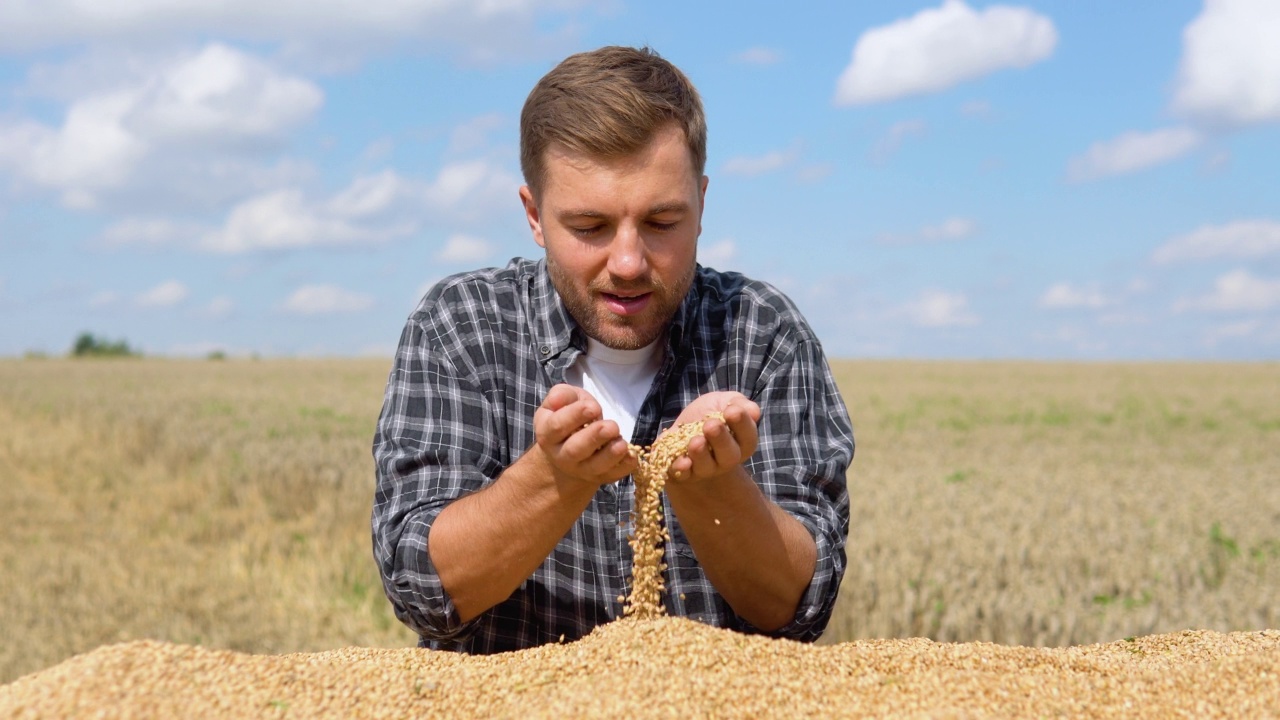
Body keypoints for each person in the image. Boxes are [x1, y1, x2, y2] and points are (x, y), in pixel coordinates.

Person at [372, 45, 854, 654]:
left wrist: (713, 486)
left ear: (702, 204)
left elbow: (799, 607)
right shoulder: (461, 327)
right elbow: (420, 590)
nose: (627, 263)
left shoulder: (764, 335)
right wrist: (553, 479)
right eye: (589, 227)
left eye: (661, 223)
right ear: (534, 215)